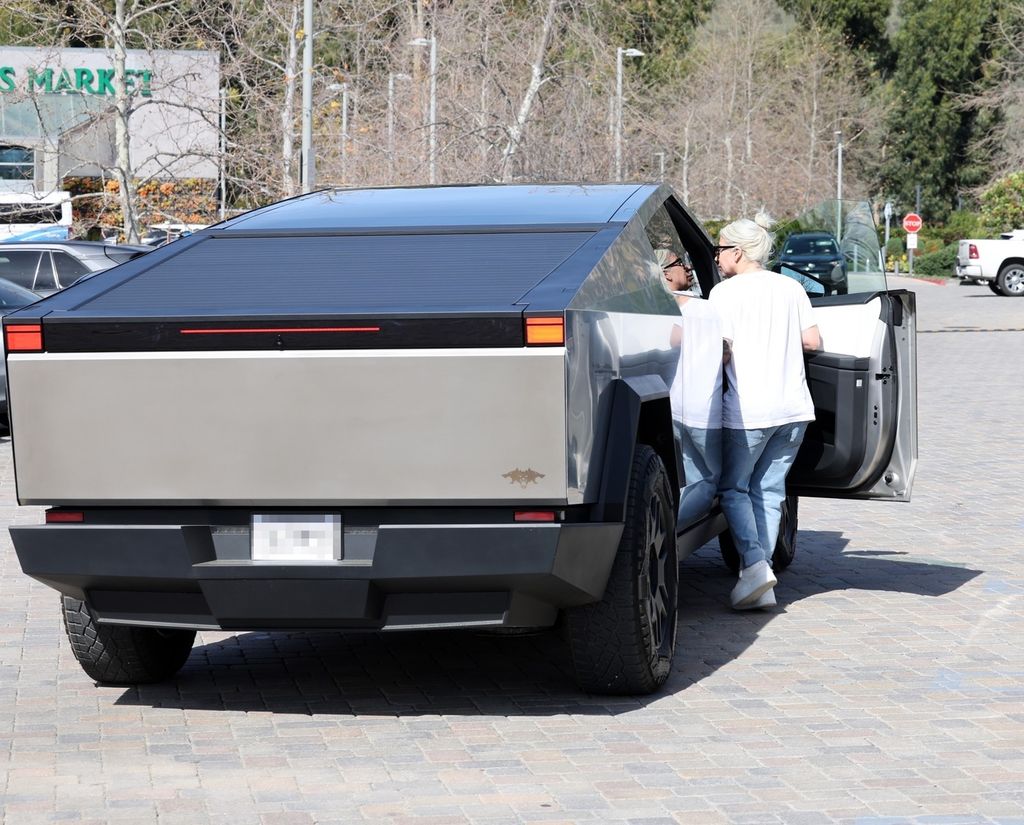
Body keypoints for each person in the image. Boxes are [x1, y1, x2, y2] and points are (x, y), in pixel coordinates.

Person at [708, 212, 821, 610]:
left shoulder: (724, 294)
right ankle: (762, 579)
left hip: (747, 411)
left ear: (737, 252)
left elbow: (718, 350)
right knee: (770, 490)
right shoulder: (790, 288)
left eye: (719, 249)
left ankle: (755, 566)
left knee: (734, 489)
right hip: (793, 409)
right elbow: (813, 340)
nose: (716, 258)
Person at [656, 248, 724, 528]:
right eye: (680, 263)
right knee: (710, 481)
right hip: (705, 408)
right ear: (665, 273)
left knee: (691, 477)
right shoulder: (704, 309)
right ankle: (669, 534)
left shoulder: (655, 310)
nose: (687, 268)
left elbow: (671, 340)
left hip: (674, 408)